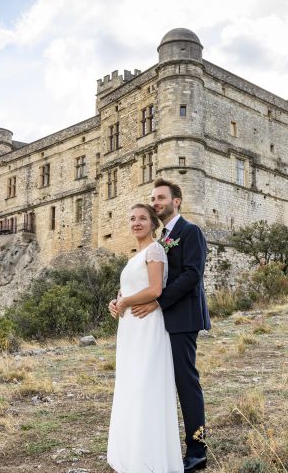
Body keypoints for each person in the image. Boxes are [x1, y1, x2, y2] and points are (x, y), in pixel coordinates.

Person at [129, 178, 211, 473]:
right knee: (163, 382)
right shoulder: (162, 238)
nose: (155, 202)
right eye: (153, 198)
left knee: (186, 381)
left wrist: (158, 302)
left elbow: (192, 275)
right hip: (162, 321)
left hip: (184, 317)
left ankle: (198, 448)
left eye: (161, 198)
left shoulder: (190, 232)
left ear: (177, 200)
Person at [107, 203, 184, 473]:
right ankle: (130, 452)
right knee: (130, 384)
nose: (136, 223)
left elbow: (154, 289)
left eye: (142, 218)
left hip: (147, 325)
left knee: (144, 384)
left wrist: (126, 300)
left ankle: (148, 458)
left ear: (153, 224)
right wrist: (116, 302)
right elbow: (128, 289)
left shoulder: (155, 250)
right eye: (132, 219)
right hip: (130, 328)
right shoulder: (133, 257)